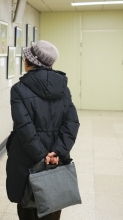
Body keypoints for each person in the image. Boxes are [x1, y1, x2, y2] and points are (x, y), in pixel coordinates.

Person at [6, 40, 80, 220]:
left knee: (27, 209)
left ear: (29, 62)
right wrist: (56, 152)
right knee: (53, 206)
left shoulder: (19, 89)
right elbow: (72, 123)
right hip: (56, 163)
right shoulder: (64, 89)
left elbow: (24, 128)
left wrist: (41, 155)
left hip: (27, 160)